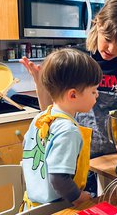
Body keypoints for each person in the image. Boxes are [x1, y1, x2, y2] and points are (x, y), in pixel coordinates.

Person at [20, 0, 117, 195]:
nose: (111, 49)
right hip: (76, 158)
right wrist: (39, 83)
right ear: (98, 24)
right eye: (108, 38)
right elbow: (51, 114)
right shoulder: (76, 60)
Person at [20, 48, 103, 211]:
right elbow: (58, 178)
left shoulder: (42, 116)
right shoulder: (68, 130)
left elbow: (26, 146)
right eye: (93, 91)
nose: (97, 95)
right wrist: (78, 197)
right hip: (55, 208)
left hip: (31, 205)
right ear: (73, 95)